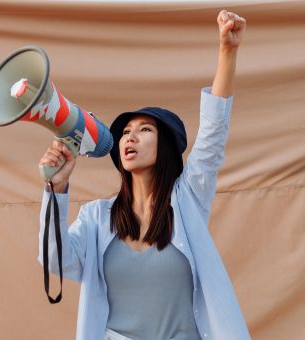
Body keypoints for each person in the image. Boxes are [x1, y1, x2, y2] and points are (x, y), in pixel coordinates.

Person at [38, 9, 250, 340]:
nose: (130, 137)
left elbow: (212, 135)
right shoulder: (96, 218)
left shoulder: (187, 201)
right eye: (125, 132)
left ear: (165, 146)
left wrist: (227, 50)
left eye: (144, 129)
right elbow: (56, 261)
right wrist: (57, 187)